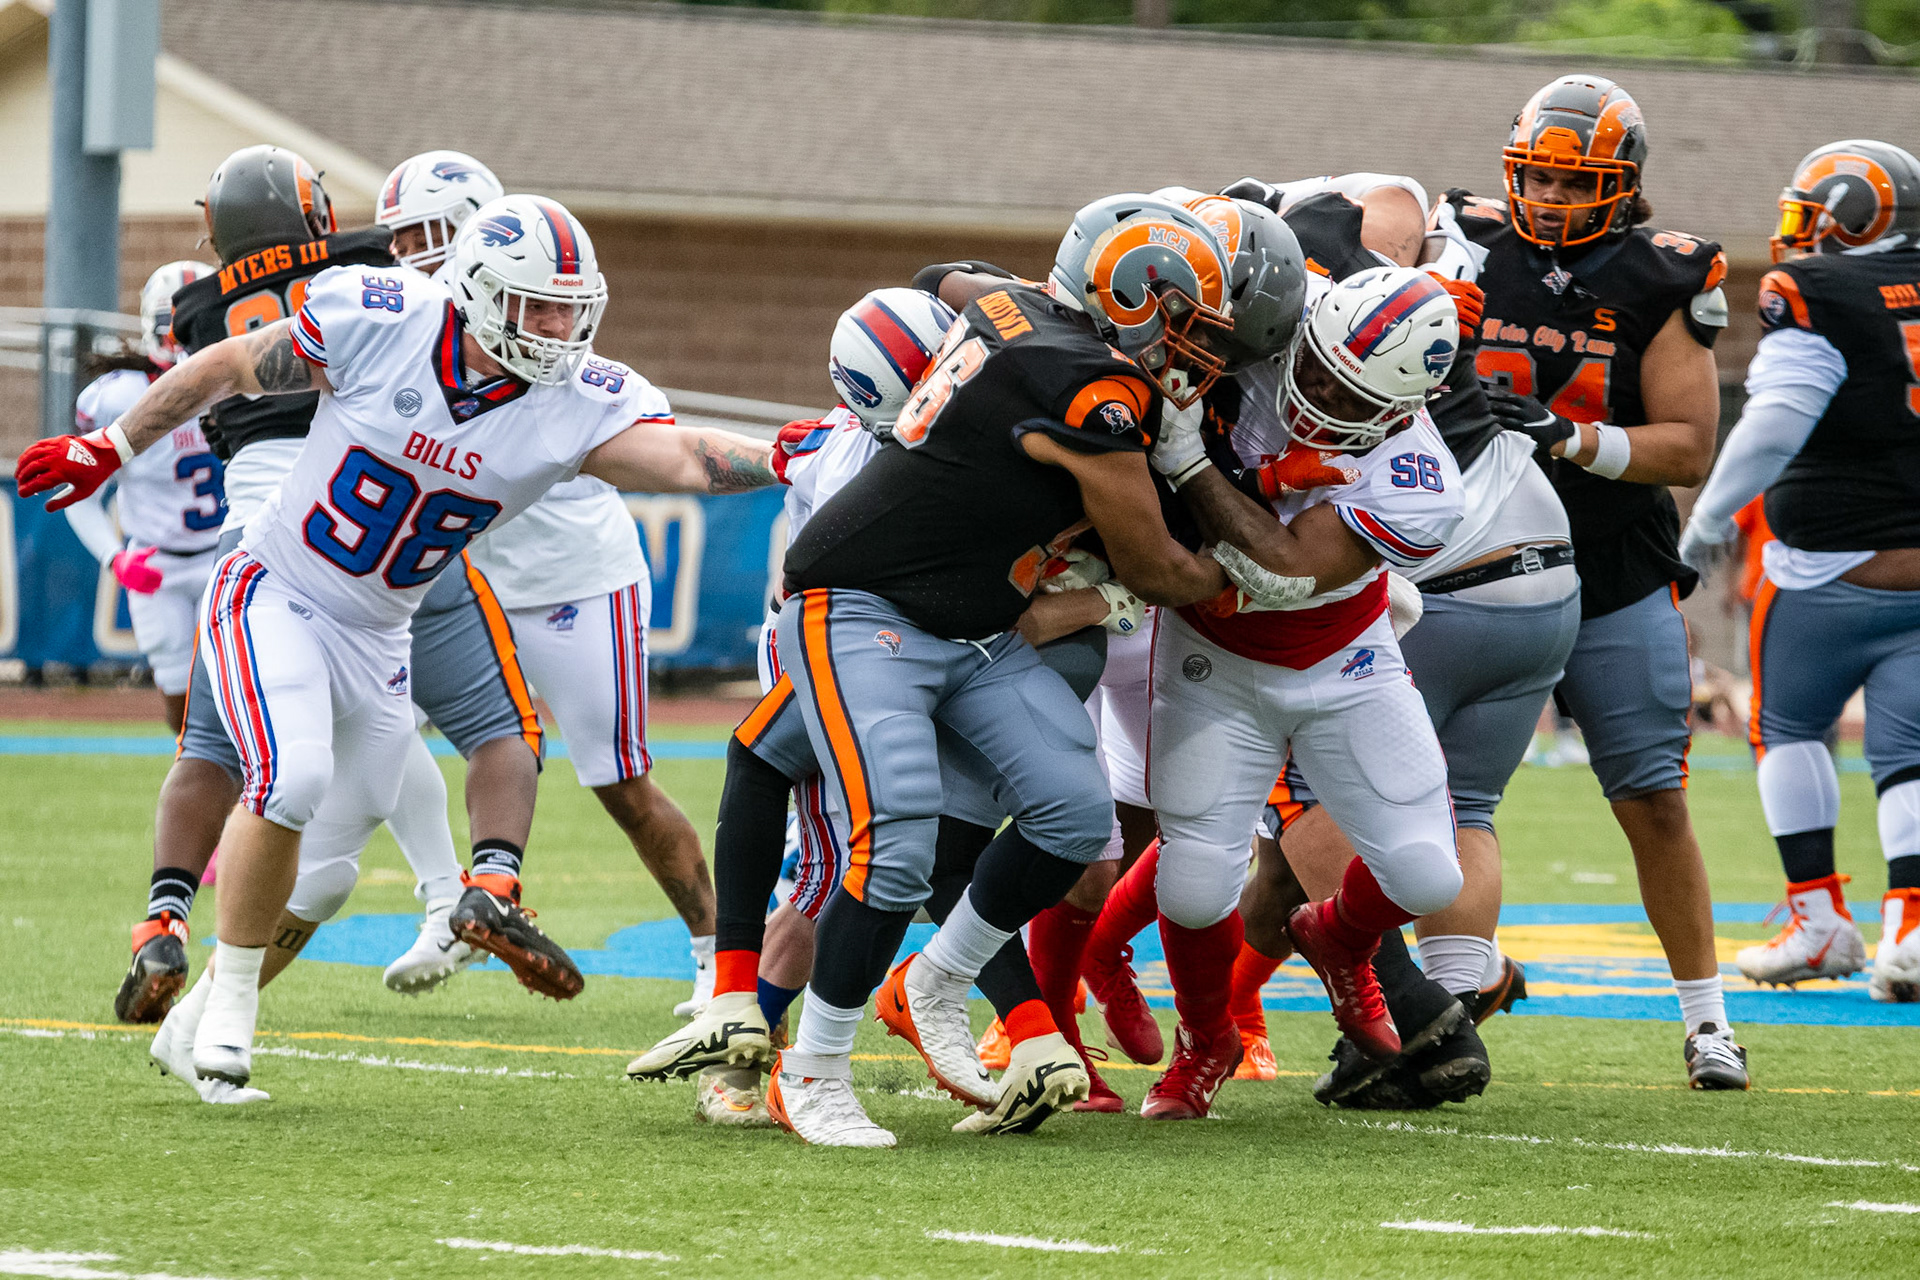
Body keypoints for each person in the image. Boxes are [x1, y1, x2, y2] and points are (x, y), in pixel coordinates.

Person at [16, 192, 779, 1099]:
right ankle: (231, 1017)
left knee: (333, 863)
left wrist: (790, 457)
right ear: (480, 290)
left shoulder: (575, 403)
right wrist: (110, 445)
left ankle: (190, 1023)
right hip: (278, 587)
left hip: (381, 633)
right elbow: (230, 364)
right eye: (537, 305)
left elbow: (686, 457)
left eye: (570, 309)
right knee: (290, 776)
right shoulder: (385, 319)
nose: (557, 328)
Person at [723, 194, 1239, 1147]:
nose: (1191, 343)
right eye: (1177, 316)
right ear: (1122, 301)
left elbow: (949, 282)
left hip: (975, 622)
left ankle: (937, 979)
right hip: (863, 607)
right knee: (896, 840)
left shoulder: (1022, 310)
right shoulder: (1092, 388)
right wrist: (1242, 569)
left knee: (1073, 815)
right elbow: (1159, 570)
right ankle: (814, 1070)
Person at [1453, 74, 1746, 1088]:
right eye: (1538, 177)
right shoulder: (1465, 246)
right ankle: (1446, 989)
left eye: (1575, 182)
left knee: (1652, 796)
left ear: (1621, 186)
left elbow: (1688, 446)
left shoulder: (1662, 274)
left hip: (1610, 565)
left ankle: (1707, 1020)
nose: (1551, 198)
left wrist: (1572, 436)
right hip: (1475, 560)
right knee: (1438, 799)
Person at [1140, 265, 1467, 1119]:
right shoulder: (1267, 326)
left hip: (1341, 657)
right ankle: (1205, 1042)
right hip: (1214, 655)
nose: (1320, 395)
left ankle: (1341, 936)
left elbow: (1282, 569)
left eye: (1350, 395)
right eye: (1317, 370)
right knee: (1193, 884)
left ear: (1403, 409)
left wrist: (1185, 460)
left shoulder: (1419, 477)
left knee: (1428, 876)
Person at [1680, 139, 1920, 1005]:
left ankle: (1818, 921)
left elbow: (1777, 422)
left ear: (1854, 217)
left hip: (1829, 565)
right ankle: (1911, 929)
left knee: (1785, 728)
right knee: (1909, 753)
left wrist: (1706, 522)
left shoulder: (1816, 289)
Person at [64, 260, 223, 735]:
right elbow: (79, 496)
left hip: (229, 557)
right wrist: (116, 559)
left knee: (240, 688)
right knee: (181, 706)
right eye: (174, 324)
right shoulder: (116, 398)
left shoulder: (239, 383)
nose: (184, 335)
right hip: (159, 566)